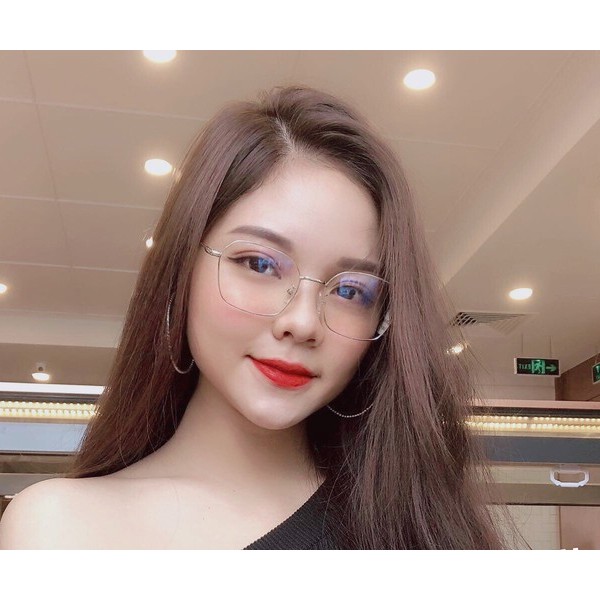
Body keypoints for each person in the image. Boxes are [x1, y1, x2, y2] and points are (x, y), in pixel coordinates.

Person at [0, 85, 508, 549]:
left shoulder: (416, 526)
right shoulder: (59, 529)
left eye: (351, 290)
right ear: (182, 269)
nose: (303, 323)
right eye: (260, 264)